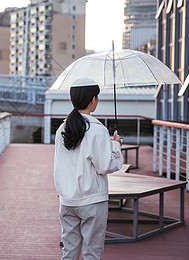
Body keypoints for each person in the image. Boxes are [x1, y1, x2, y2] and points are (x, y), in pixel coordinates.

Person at [53, 79, 123, 260]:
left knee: (69, 252)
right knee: (92, 253)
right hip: (92, 201)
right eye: (97, 96)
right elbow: (106, 165)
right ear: (93, 99)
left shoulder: (63, 128)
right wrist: (115, 146)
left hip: (67, 201)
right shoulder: (97, 129)